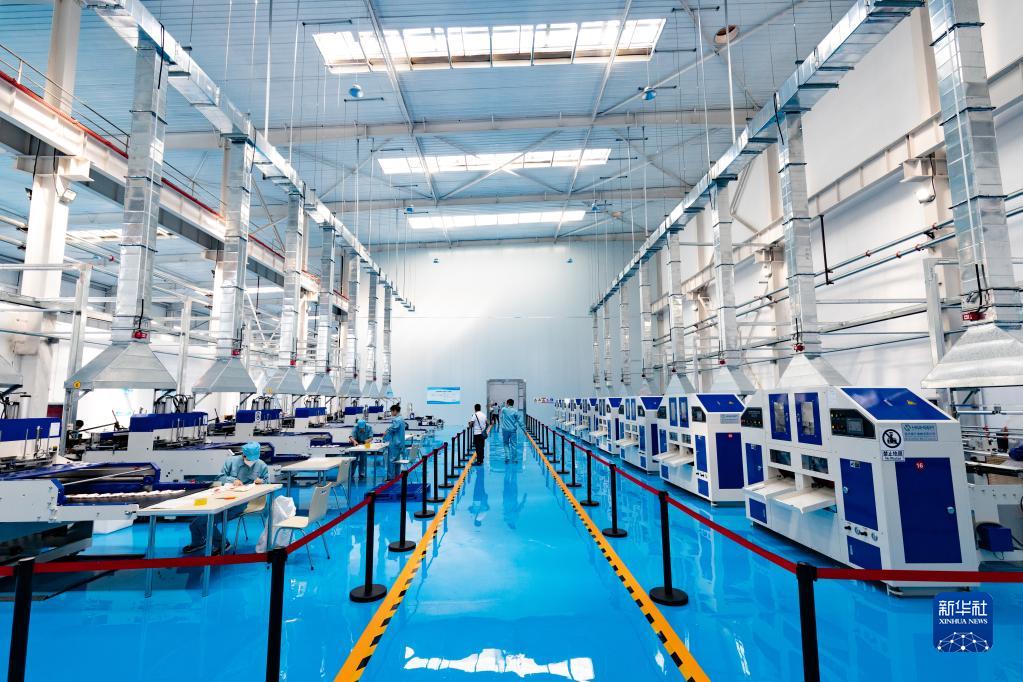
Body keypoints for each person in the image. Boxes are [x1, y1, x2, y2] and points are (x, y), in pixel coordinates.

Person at [183, 442, 269, 554]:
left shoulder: (261, 465)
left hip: (241, 503)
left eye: (254, 459)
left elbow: (267, 483)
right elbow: (220, 477)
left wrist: (262, 482)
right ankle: (198, 543)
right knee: (194, 524)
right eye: (249, 459)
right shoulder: (231, 462)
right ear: (243, 455)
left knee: (203, 522)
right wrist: (233, 480)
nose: (251, 462)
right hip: (223, 497)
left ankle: (222, 544)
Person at [383, 403, 406, 478]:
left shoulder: (397, 420)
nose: (391, 413)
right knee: (397, 461)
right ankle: (397, 476)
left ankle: (390, 478)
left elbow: (394, 428)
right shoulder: (401, 419)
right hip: (400, 443)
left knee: (391, 461)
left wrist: (386, 432)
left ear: (395, 411)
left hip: (395, 443)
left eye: (391, 411)